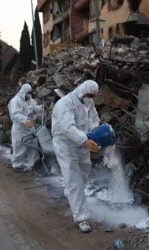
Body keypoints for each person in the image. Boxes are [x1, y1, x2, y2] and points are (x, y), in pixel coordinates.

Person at [52, 80, 101, 233]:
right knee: (74, 181)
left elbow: (94, 119)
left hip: (83, 143)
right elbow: (67, 127)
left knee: (84, 173)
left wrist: (94, 133)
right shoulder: (64, 104)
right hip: (66, 145)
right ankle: (82, 218)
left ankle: (72, 192)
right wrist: (86, 140)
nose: (90, 97)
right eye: (88, 95)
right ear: (82, 90)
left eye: (92, 96)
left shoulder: (89, 102)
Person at [8, 83, 43, 172]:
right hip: (20, 128)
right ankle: (17, 165)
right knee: (19, 147)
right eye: (28, 93)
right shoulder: (15, 101)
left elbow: (35, 108)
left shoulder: (29, 100)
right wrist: (25, 120)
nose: (30, 95)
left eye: (30, 93)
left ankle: (35, 164)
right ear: (24, 92)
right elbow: (14, 115)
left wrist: (43, 107)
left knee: (33, 146)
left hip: (30, 127)